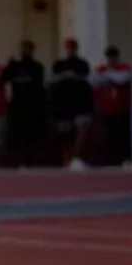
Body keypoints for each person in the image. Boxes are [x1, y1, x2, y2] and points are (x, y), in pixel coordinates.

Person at [50, 38, 93, 170]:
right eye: (69, 48)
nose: (71, 50)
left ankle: (76, 158)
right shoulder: (59, 65)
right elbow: (54, 84)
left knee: (82, 131)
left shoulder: (82, 64)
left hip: (81, 103)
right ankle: (66, 160)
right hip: (64, 104)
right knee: (66, 135)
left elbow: (87, 82)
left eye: (73, 47)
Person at [2, 40, 46, 167]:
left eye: (28, 49)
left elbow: (39, 86)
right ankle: (20, 162)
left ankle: (32, 162)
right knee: (17, 136)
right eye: (23, 48)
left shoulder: (37, 67)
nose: (25, 51)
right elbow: (4, 78)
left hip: (33, 106)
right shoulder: (14, 66)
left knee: (33, 136)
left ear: (32, 51)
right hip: (17, 106)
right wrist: (9, 64)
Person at [92, 46, 132, 166]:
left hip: (122, 108)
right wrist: (110, 76)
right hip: (106, 109)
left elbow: (123, 78)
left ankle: (125, 159)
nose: (111, 60)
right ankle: (111, 160)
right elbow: (94, 80)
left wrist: (107, 76)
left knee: (123, 135)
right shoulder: (100, 69)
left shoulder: (124, 68)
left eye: (113, 57)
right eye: (109, 57)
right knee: (109, 135)